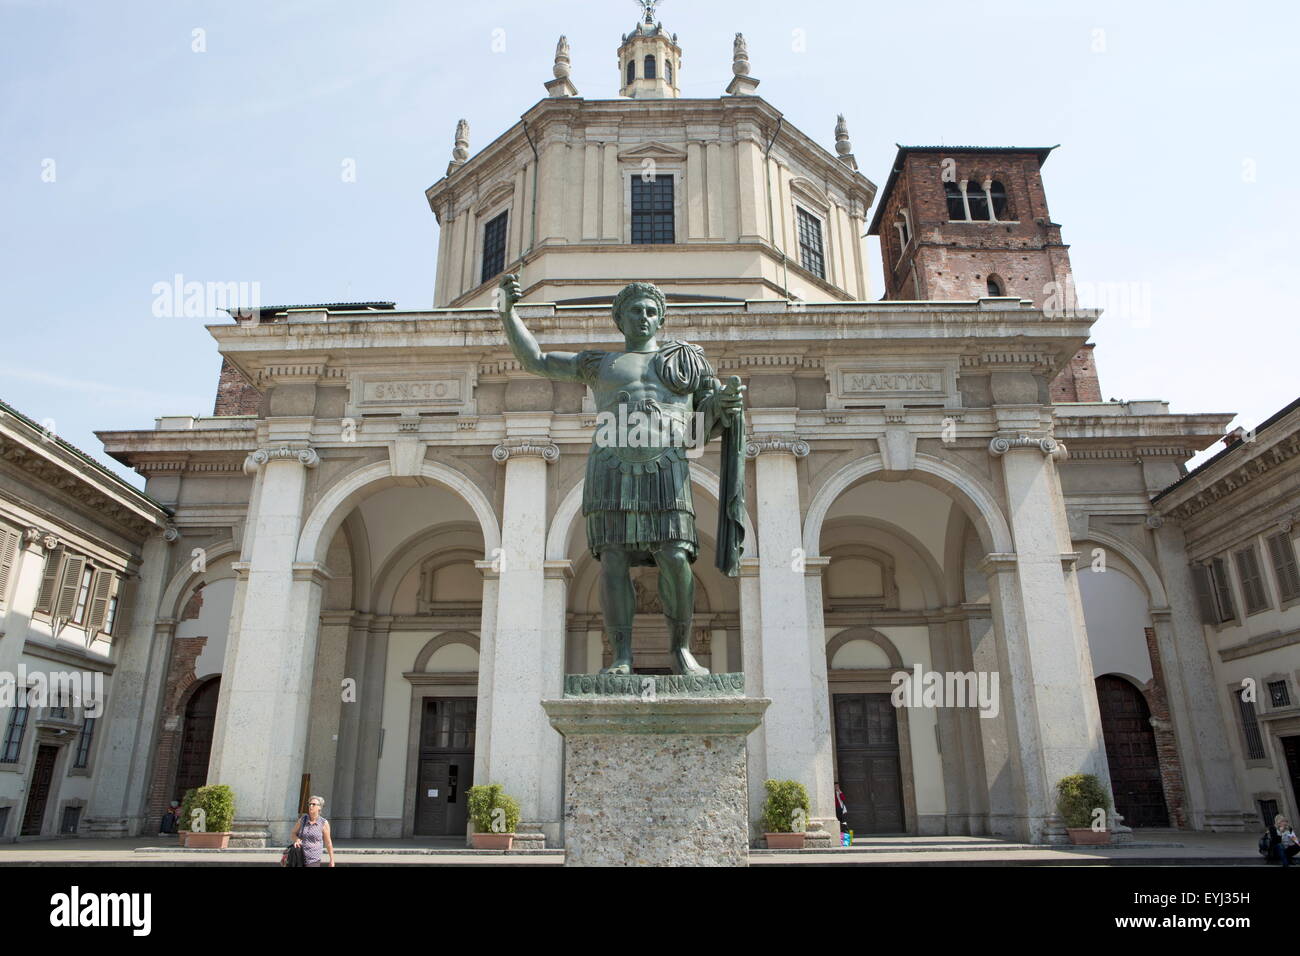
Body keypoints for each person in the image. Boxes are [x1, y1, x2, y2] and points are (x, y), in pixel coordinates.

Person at [497, 275, 746, 676]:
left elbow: (701, 429)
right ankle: (623, 656)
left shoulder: (684, 362)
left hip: (667, 465)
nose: (643, 317)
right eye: (635, 310)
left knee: (676, 556)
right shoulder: (601, 363)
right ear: (620, 318)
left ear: (661, 317)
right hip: (611, 466)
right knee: (612, 560)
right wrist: (508, 313)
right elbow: (537, 361)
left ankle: (681, 651)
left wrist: (725, 404)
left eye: (651, 311)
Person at [291, 795, 335, 868]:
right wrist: (297, 839)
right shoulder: (303, 819)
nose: (311, 806)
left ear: (319, 807)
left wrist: (332, 859)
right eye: (309, 804)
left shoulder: (323, 823)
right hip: (299, 858)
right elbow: (293, 833)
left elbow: (328, 842)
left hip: (313, 859)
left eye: (313, 804)